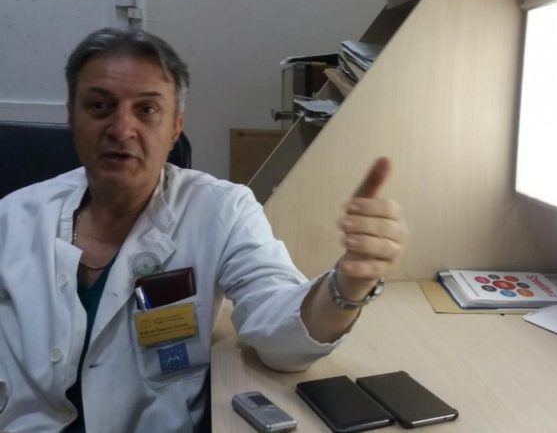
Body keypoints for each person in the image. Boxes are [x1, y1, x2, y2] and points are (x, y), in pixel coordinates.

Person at [0, 27, 407, 432]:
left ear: (175, 127)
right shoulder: (15, 216)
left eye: (147, 110)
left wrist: (347, 286)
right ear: (71, 117)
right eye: (100, 106)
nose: (122, 129)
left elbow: (278, 330)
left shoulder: (222, 210)